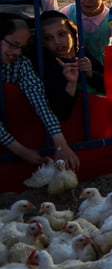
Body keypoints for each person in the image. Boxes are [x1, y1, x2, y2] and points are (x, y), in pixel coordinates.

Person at [0, 14, 79, 169]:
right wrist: (21, 151)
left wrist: (61, 144)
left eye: (21, 47)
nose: (16, 52)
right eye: (13, 44)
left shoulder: (21, 63)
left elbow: (39, 100)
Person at [58, 0, 111, 93]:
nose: (88, 0)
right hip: (72, 64)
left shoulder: (111, 17)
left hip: (99, 66)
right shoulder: (67, 13)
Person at [38, 10, 95, 120]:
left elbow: (109, 84)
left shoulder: (80, 51)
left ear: (72, 32)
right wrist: (71, 83)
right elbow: (61, 114)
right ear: (43, 43)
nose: (57, 42)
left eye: (61, 34)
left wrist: (91, 73)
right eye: (49, 38)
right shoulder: (48, 65)